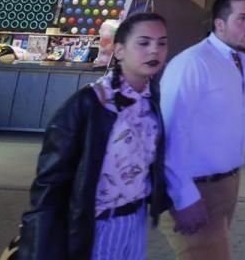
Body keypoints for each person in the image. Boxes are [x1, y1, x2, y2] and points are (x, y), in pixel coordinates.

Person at [18, 13, 169, 259]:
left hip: (136, 220)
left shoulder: (151, 100)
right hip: (94, 225)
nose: (155, 50)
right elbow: (50, 182)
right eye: (144, 43)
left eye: (162, 43)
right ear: (119, 51)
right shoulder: (89, 105)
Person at [160, 0, 245, 259]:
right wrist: (183, 195)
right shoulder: (192, 63)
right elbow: (171, 132)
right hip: (194, 188)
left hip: (228, 185)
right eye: (241, 18)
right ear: (219, 24)